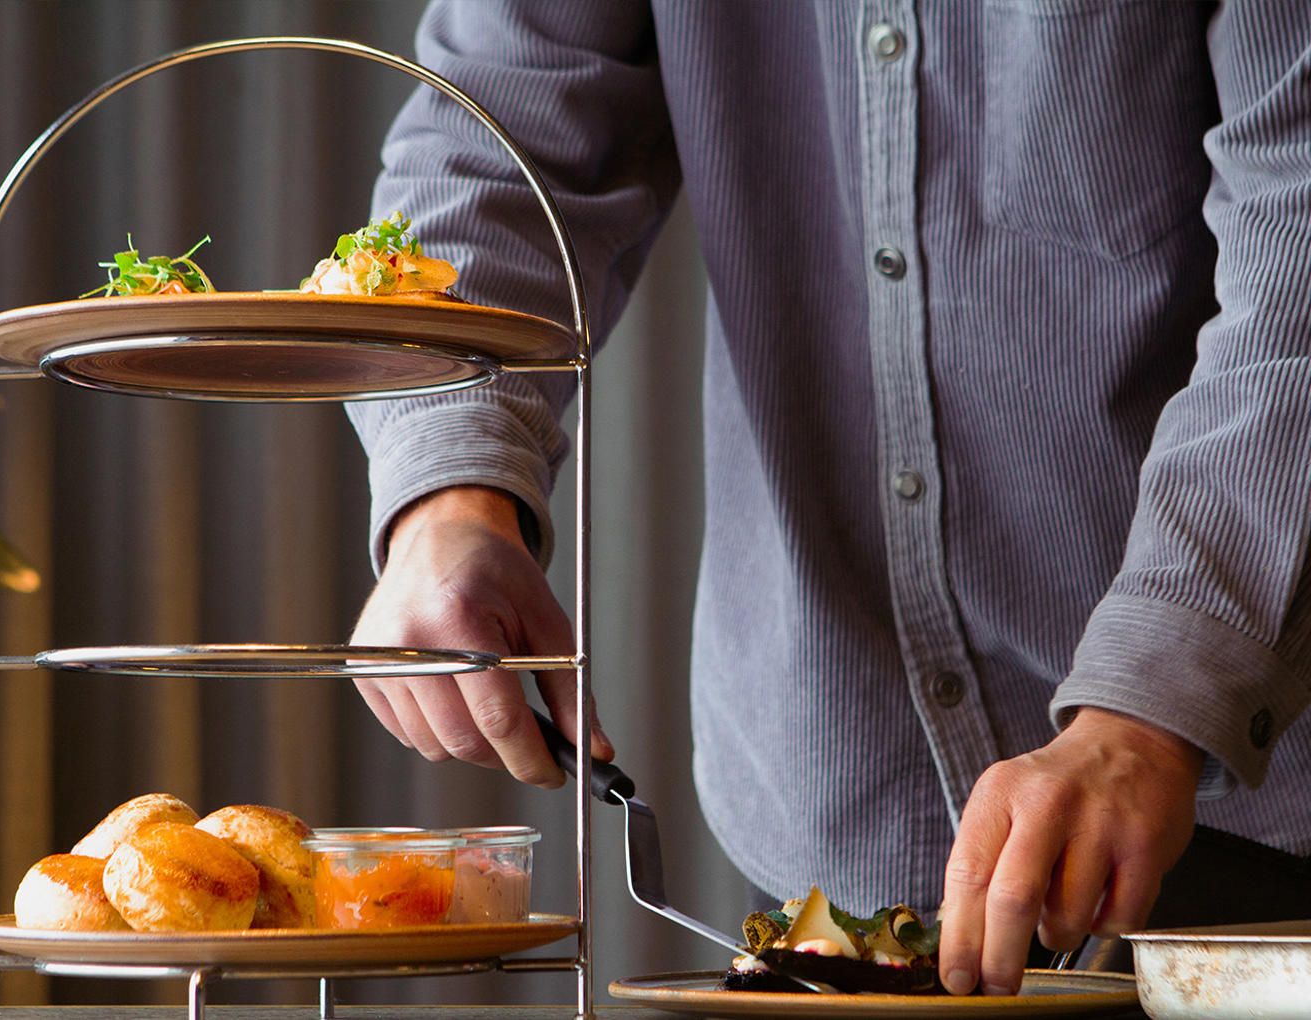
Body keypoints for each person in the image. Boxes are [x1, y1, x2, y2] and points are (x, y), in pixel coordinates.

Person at [345, 0, 1311, 997]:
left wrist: (1152, 705)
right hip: (834, 787)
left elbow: (1304, 257)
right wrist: (449, 497)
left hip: (1250, 817)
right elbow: (497, 135)